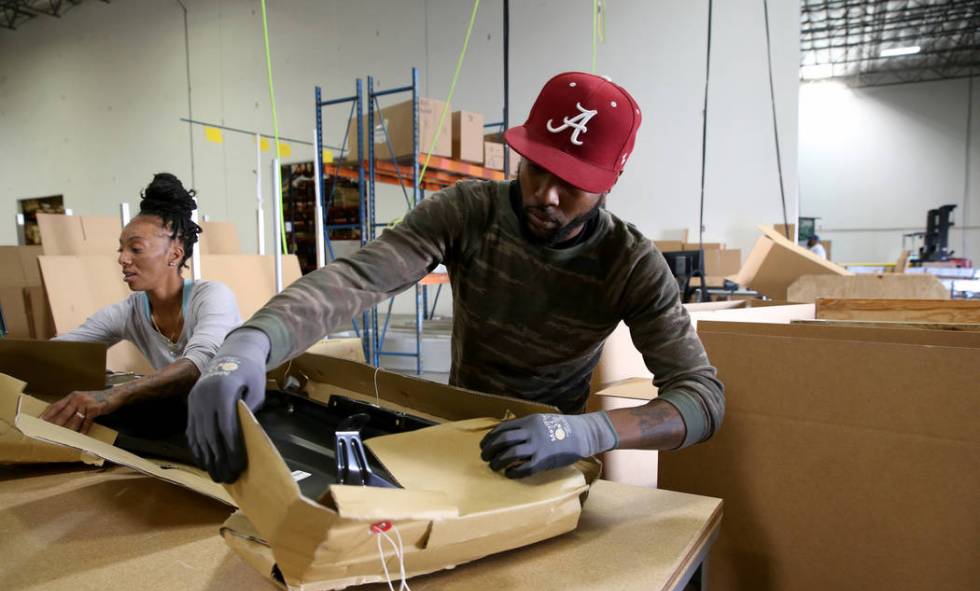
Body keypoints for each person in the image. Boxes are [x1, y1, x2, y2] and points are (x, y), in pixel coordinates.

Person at [188, 72, 725, 483]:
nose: (546, 196)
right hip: (457, 430)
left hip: (553, 450)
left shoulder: (629, 263)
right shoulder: (469, 212)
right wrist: (252, 342)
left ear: (609, 183)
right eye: (536, 169)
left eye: (572, 184)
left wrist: (590, 431)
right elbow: (357, 279)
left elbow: (702, 400)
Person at [41, 173, 241, 434]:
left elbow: (199, 363)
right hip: (187, 417)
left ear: (174, 254)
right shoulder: (130, 311)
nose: (123, 259)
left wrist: (115, 395)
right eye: (121, 249)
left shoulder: (213, 296)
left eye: (135, 249)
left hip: (238, 416)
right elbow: (63, 350)